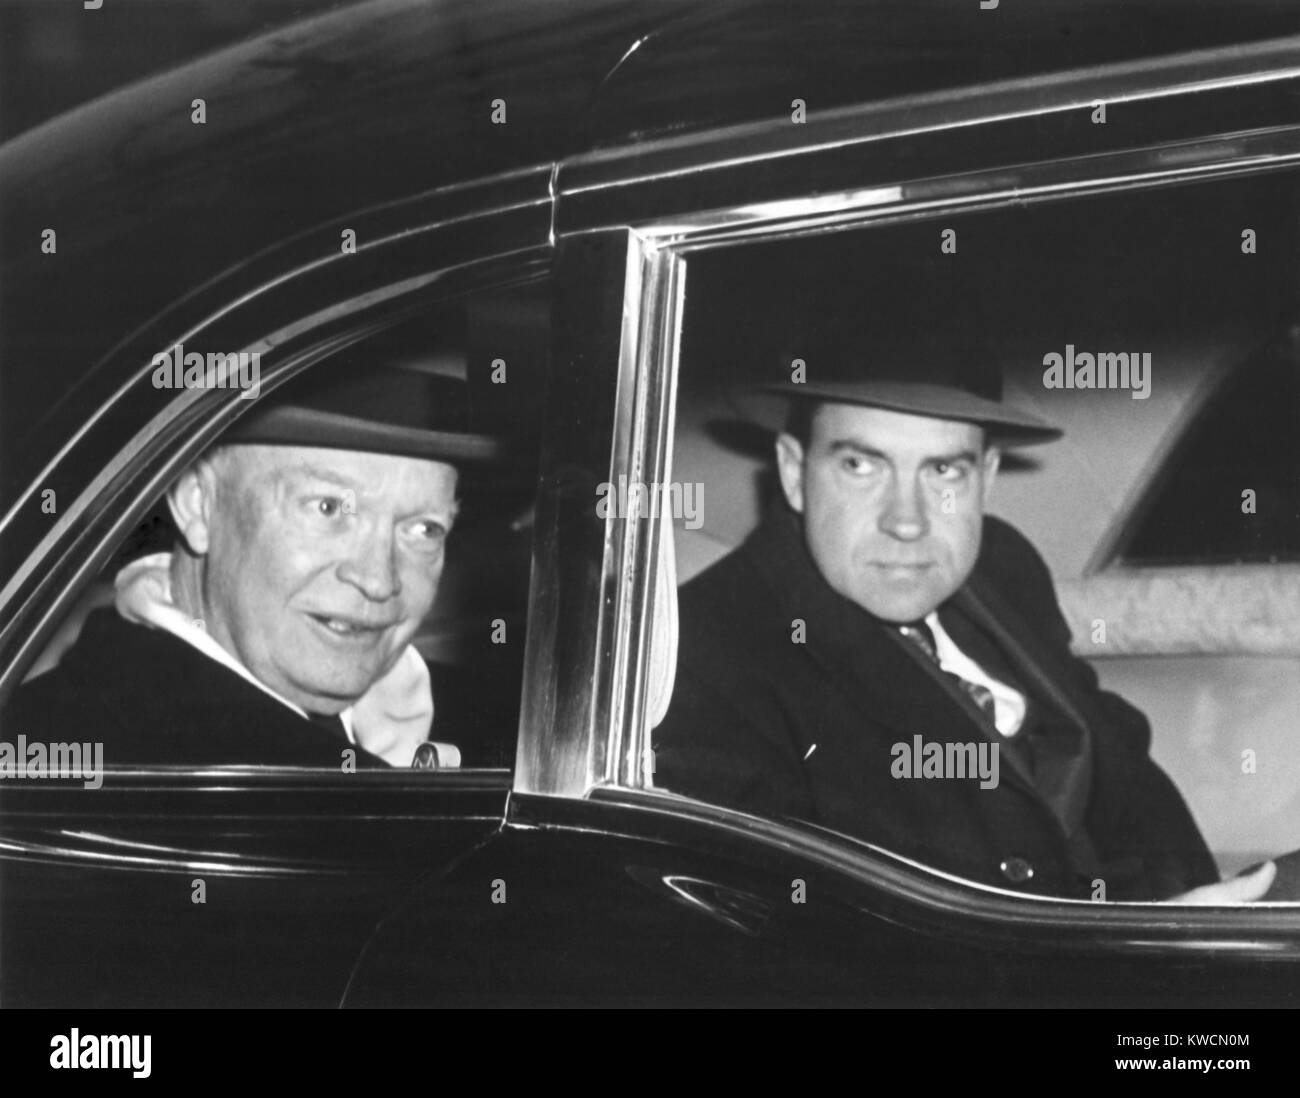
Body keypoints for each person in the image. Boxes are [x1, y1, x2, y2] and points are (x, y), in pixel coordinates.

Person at [653, 343, 1276, 903]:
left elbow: (1117, 757)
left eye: (944, 470)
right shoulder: (707, 659)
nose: (908, 521)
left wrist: (1200, 920)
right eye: (860, 466)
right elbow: (804, 949)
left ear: (986, 478)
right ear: (795, 474)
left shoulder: (1002, 566)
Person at [2, 355, 513, 769]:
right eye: (328, 507)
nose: (380, 580)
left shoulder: (506, 728)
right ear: (198, 503)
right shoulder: (64, 766)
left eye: (423, 529)